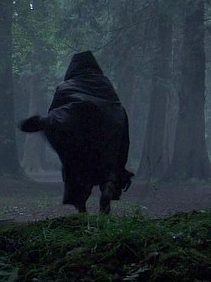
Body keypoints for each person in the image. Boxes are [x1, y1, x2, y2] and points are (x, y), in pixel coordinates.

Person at [19, 51, 133, 214]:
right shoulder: (105, 83)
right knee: (109, 165)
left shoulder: (66, 86)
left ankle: (81, 208)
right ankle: (108, 187)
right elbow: (114, 105)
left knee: (77, 167)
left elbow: (57, 109)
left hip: (79, 134)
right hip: (108, 133)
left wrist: (50, 122)